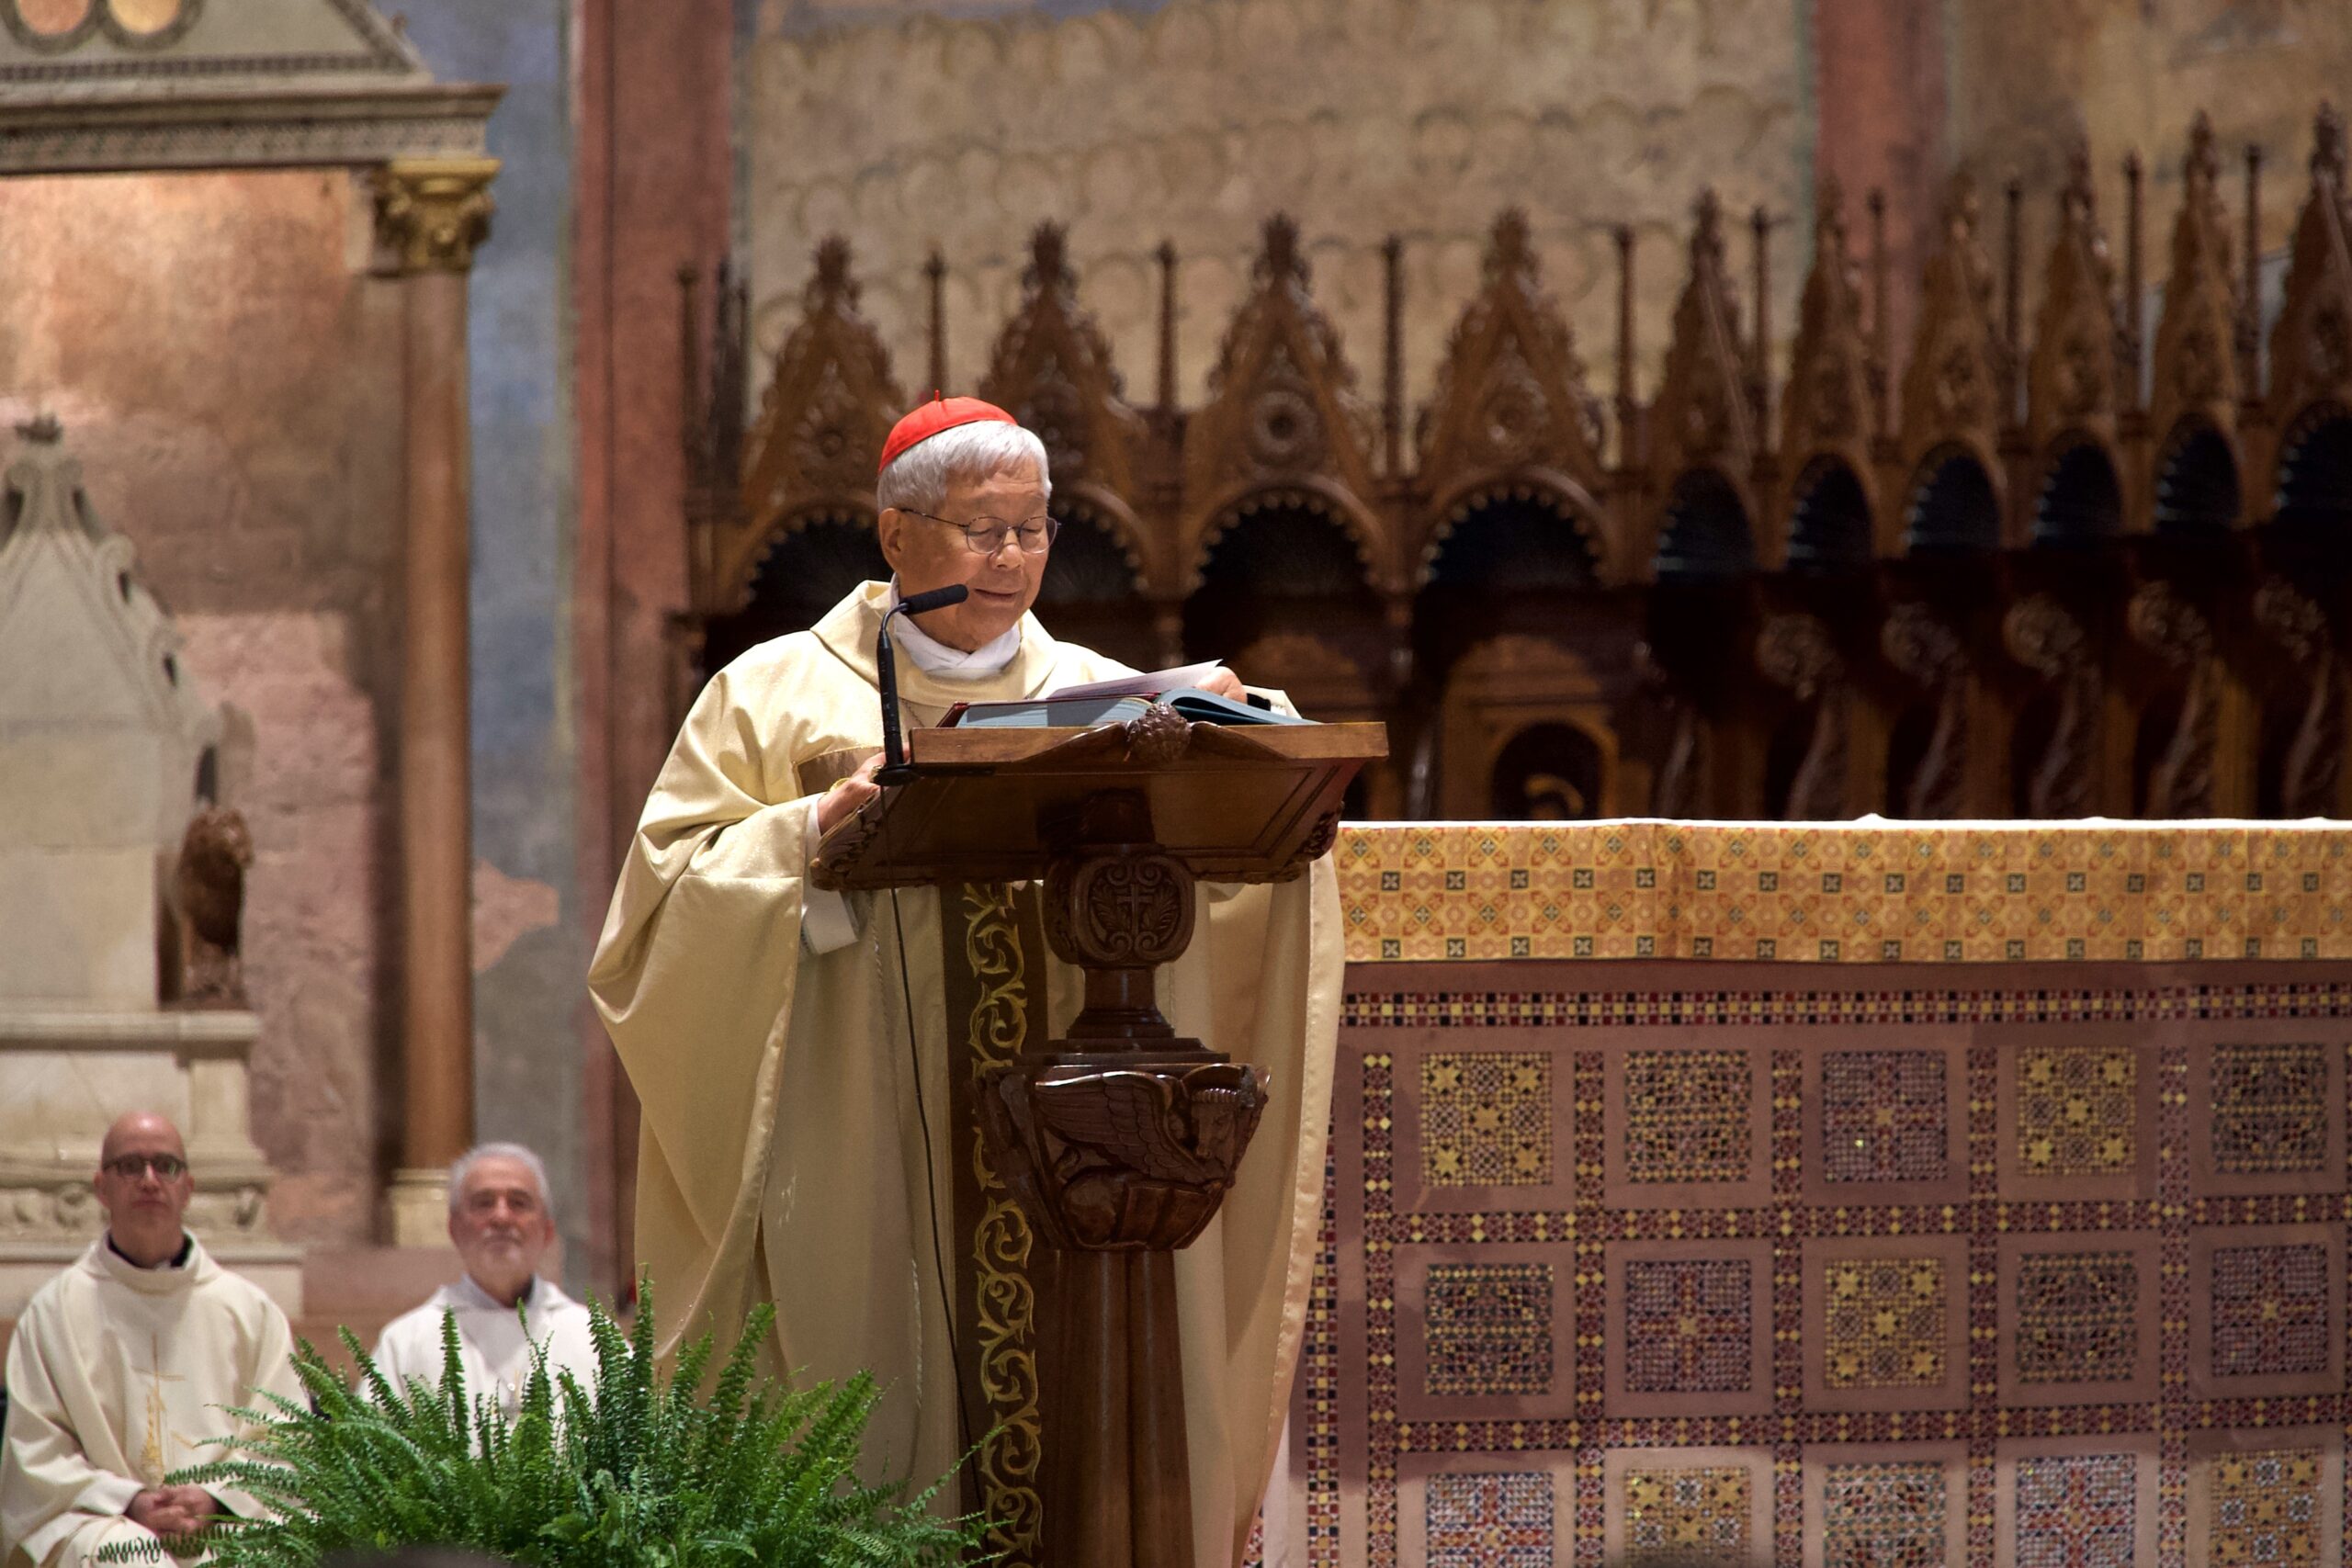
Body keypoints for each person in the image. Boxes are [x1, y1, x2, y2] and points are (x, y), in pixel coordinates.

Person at [589, 396, 1341, 1567]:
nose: (1011, 558)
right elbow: (657, 916)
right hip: (861, 1148)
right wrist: (803, 836)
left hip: (1079, 1157)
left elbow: (1237, 864)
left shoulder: (1107, 697)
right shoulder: (773, 694)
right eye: (982, 528)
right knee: (869, 1428)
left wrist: (1234, 744)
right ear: (896, 537)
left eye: (1034, 530)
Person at [0, 1112, 302, 1568]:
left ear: (188, 1188)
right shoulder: (54, 1312)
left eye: (166, 1166)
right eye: (130, 1166)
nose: (149, 1180)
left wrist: (213, 1499)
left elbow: (281, 1442)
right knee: (128, 1560)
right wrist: (131, 1500)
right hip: (99, 1518)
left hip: (229, 1518)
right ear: (101, 1188)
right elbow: (38, 1454)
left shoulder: (251, 1314)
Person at [370, 1145, 596, 1417]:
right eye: (484, 1203)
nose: (501, 1216)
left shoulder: (591, 1337)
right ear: (454, 1229)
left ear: (547, 1231)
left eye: (519, 1203)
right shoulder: (406, 1342)